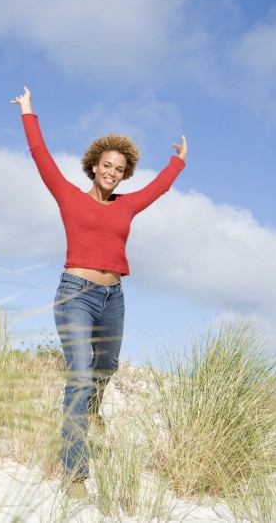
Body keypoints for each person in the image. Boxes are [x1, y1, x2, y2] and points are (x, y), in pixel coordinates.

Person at [11, 86, 187, 498]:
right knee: (79, 374)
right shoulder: (69, 196)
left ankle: (93, 408)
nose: (111, 171)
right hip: (76, 293)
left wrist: (177, 163)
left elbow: (157, 189)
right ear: (94, 166)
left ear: (125, 174)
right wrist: (28, 112)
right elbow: (42, 158)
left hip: (114, 297)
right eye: (106, 164)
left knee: (105, 368)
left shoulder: (126, 205)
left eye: (119, 168)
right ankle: (75, 474)